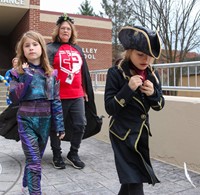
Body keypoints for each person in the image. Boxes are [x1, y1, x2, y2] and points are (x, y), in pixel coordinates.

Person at [104, 26, 165, 195]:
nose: (146, 60)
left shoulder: (153, 74)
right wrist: (128, 89)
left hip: (140, 135)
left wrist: (153, 94)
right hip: (121, 134)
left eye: (150, 56)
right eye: (140, 54)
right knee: (136, 179)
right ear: (129, 51)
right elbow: (110, 107)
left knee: (131, 180)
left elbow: (159, 105)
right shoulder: (115, 73)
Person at [9, 30, 65, 195]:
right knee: (34, 162)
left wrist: (60, 126)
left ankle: (26, 185)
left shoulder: (51, 74)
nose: (31, 48)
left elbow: (55, 100)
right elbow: (15, 97)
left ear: (42, 47)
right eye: (27, 45)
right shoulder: (17, 73)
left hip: (45, 122)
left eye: (35, 44)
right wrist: (26, 77)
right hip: (26, 121)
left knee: (35, 159)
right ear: (22, 50)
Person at [47, 13, 92, 170]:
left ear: (72, 32)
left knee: (80, 124)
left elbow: (83, 71)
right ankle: (57, 155)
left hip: (77, 94)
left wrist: (85, 89)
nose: (66, 31)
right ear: (58, 31)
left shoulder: (77, 49)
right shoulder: (50, 48)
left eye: (68, 29)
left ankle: (73, 153)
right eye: (63, 28)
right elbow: (45, 71)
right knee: (56, 127)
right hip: (58, 95)